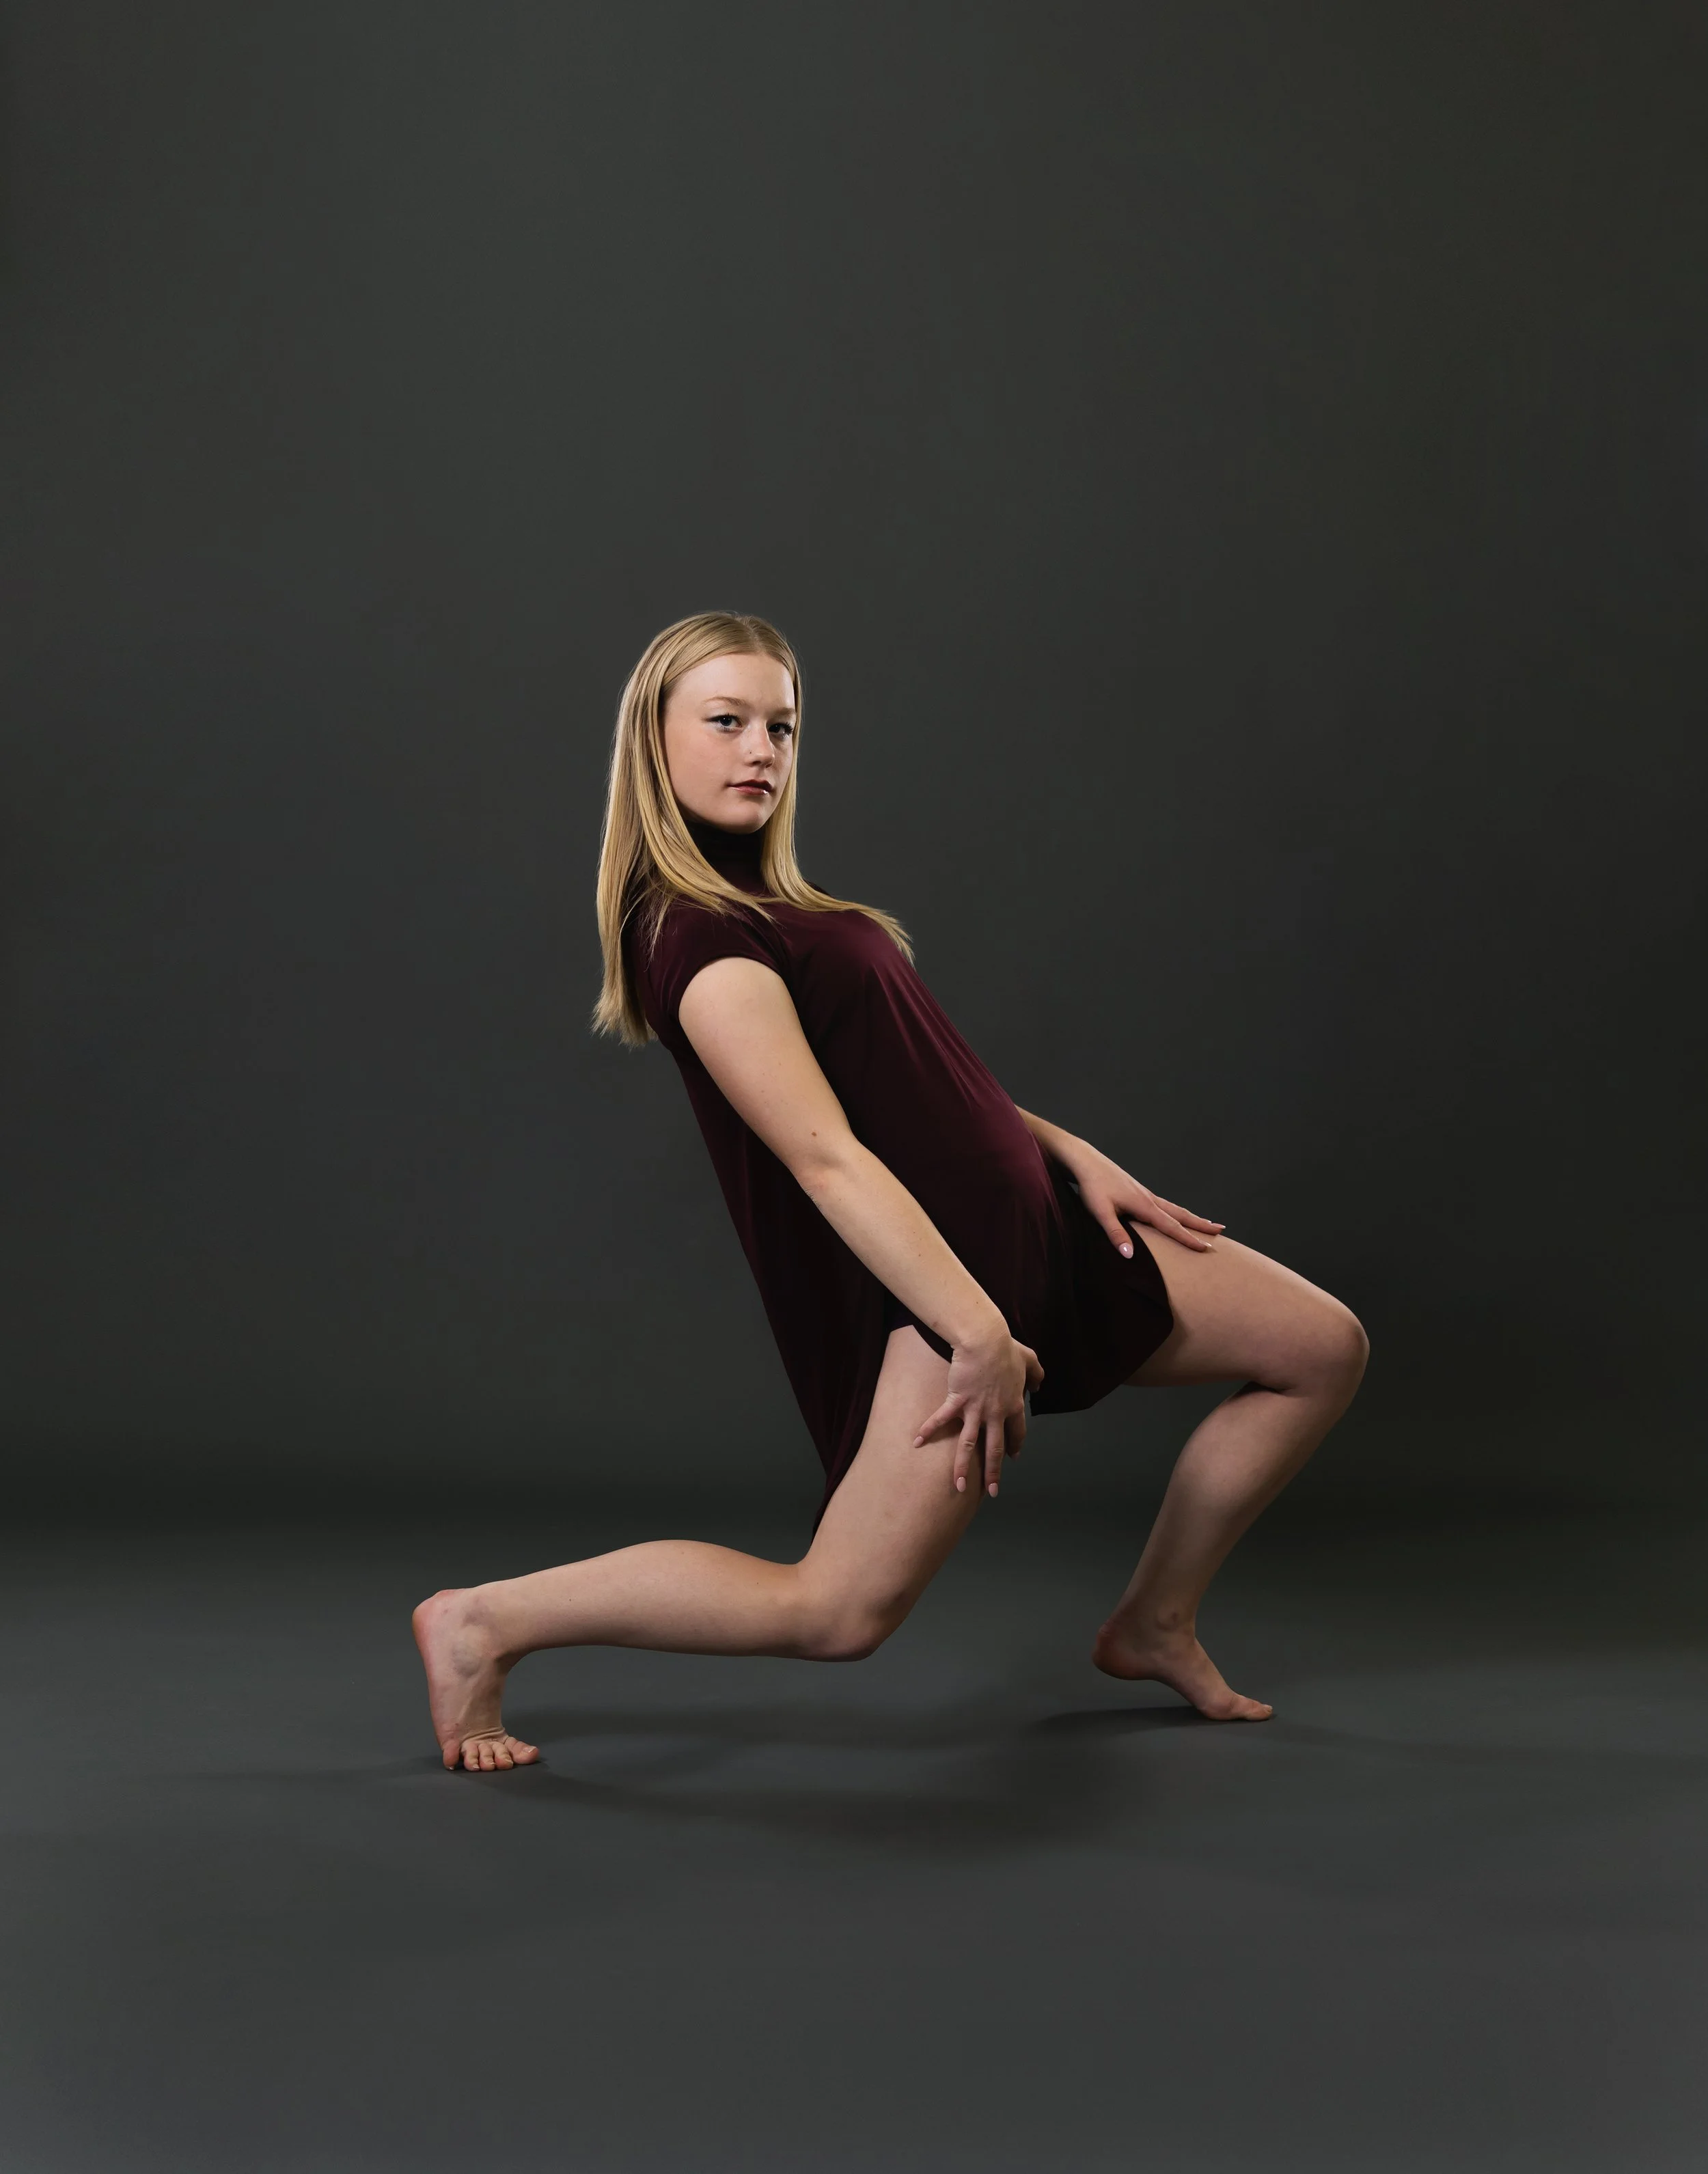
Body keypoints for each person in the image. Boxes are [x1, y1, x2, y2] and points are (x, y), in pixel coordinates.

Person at [413, 611, 1368, 1771]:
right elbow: (827, 1157)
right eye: (726, 721)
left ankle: (1154, 1623)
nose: (762, 748)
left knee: (1319, 1347)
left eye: (782, 725)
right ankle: (486, 1620)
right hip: (947, 1278)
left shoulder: (787, 911)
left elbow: (921, 1093)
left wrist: (1074, 1155)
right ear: (651, 743)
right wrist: (974, 1325)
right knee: (839, 1611)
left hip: (1043, 1230)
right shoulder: (701, 943)